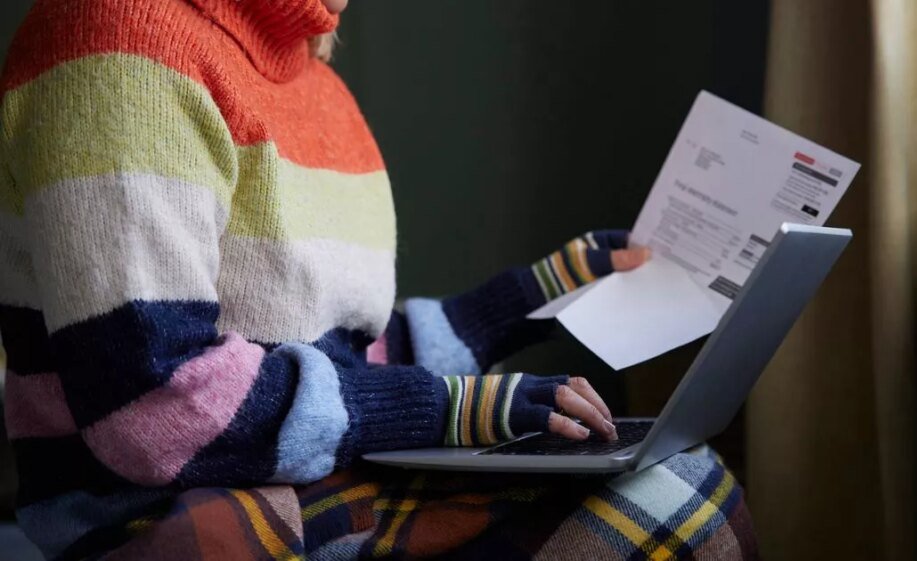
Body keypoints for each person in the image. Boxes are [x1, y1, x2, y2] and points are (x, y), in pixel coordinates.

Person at [0, 0, 758, 559]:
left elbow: (344, 363)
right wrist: (456, 410)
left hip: (309, 476)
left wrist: (545, 290)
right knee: (671, 506)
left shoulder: (323, 93)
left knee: (683, 475)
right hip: (153, 508)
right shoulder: (115, 46)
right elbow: (161, 402)